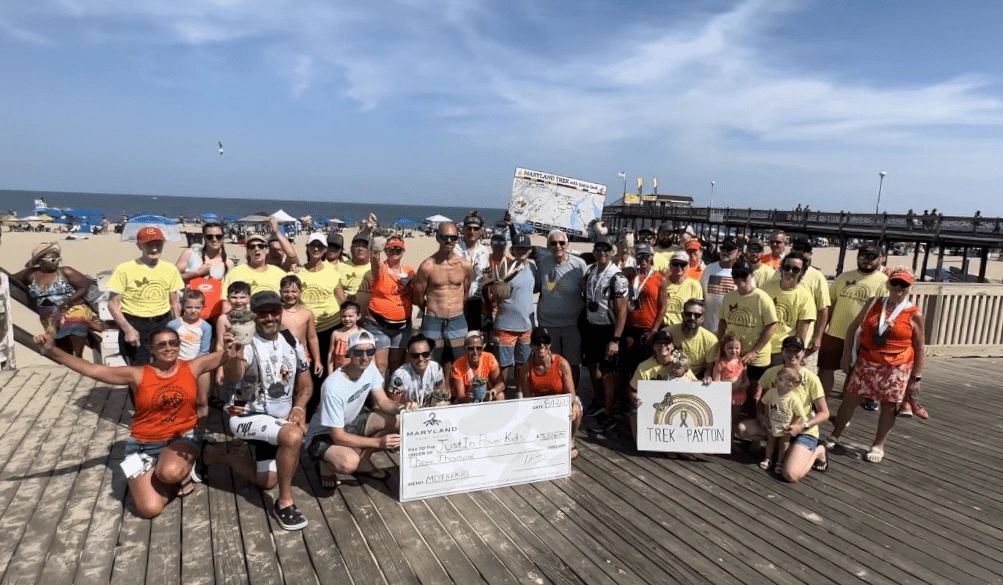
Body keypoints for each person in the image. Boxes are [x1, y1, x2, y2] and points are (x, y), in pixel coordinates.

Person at [34, 328, 235, 518]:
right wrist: (53, 350)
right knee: (150, 509)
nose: (168, 348)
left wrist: (232, 341)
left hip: (180, 439)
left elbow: (224, 355)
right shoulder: (137, 374)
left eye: (173, 343)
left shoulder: (192, 367)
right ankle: (174, 473)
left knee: (170, 472)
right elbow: (93, 370)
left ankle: (181, 468)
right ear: (152, 349)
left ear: (179, 345)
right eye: (162, 344)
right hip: (143, 446)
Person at [208, 291, 312, 531]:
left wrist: (299, 406)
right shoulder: (246, 340)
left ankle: (214, 455)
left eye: (273, 312)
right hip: (245, 414)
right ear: (254, 316)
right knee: (293, 436)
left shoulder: (290, 339)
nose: (269, 318)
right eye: (262, 313)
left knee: (267, 481)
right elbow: (235, 376)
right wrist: (233, 355)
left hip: (278, 419)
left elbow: (306, 384)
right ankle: (285, 503)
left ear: (281, 312)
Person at [826, 269, 925, 463]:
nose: (898, 288)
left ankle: (878, 444)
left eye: (903, 285)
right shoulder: (874, 302)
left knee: (888, 406)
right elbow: (853, 328)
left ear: (909, 288)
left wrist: (916, 378)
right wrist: (846, 354)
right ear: (888, 284)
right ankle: (835, 434)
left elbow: (920, 348)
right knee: (850, 399)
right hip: (867, 360)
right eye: (895, 283)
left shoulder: (914, 313)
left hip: (896, 366)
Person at [308, 330, 402, 488]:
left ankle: (364, 463)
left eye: (370, 351)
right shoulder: (333, 387)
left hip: (350, 423)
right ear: (349, 353)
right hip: (323, 435)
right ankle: (325, 464)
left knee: (397, 419)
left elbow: (384, 402)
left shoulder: (370, 369)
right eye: (358, 352)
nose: (365, 357)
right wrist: (378, 442)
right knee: (349, 463)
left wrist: (403, 407)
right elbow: (337, 436)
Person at [735, 336, 829, 482]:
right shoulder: (772, 373)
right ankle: (784, 448)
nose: (792, 354)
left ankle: (818, 451)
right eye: (788, 350)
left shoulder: (811, 378)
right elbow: (761, 399)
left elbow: (824, 413)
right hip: (776, 425)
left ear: (803, 353)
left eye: (796, 351)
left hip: (803, 430)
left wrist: (802, 426)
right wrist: (760, 415)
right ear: (782, 352)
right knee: (741, 429)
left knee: (791, 475)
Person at [817, 243, 888, 401]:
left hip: (862, 337)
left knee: (854, 372)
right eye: (863, 256)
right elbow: (830, 304)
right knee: (825, 369)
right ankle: (820, 403)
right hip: (834, 332)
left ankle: (845, 401)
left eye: (872, 257)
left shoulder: (884, 282)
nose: (867, 260)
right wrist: (820, 332)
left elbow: (884, 311)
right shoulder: (843, 277)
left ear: (880, 259)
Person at [108, 226, 184, 365]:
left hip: (163, 322)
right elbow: (113, 304)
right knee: (139, 371)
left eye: (158, 244)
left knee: (165, 366)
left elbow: (174, 302)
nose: (154, 249)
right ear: (139, 245)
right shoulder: (125, 269)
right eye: (149, 244)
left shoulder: (170, 269)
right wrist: (128, 329)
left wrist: (177, 326)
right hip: (135, 323)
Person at [14, 242, 102, 357]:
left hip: (74, 308)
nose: (56, 261)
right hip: (50, 316)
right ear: (40, 261)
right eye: (52, 260)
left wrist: (69, 301)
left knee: (75, 318)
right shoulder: (30, 275)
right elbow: (10, 279)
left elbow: (84, 286)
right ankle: (72, 359)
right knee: (63, 349)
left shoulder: (65, 271)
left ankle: (78, 357)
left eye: (58, 259)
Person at [581, 236, 629, 431]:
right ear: (594, 252)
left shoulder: (618, 277)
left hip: (609, 329)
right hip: (592, 326)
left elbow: (622, 312)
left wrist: (615, 339)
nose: (602, 252)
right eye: (598, 249)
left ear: (612, 253)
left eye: (606, 250)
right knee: (593, 366)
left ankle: (610, 412)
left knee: (608, 373)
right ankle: (598, 401)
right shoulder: (591, 270)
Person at [412, 222, 473, 377]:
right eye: (445, 237)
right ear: (438, 238)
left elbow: (465, 292)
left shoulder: (464, 265)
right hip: (433, 318)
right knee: (432, 360)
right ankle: (434, 394)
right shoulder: (428, 266)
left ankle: (456, 393)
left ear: (457, 239)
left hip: (457, 318)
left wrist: (457, 308)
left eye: (453, 237)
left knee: (460, 359)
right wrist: (430, 308)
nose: (449, 241)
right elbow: (418, 296)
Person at [717, 261, 777, 406]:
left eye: (744, 275)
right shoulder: (729, 296)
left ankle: (752, 425)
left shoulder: (762, 298)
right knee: (733, 393)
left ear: (751, 275)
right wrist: (720, 344)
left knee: (754, 396)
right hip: (733, 355)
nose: (740, 279)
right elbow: (723, 321)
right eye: (736, 275)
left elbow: (772, 326)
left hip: (756, 357)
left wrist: (754, 352)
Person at [535, 229, 587, 388]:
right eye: (553, 243)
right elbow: (536, 287)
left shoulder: (579, 264)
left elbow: (587, 291)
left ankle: (573, 397)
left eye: (561, 242)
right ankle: (555, 395)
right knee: (550, 362)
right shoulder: (543, 263)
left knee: (572, 364)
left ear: (567, 244)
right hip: (548, 324)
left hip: (572, 324)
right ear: (548, 246)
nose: (558, 246)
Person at [487, 232, 537, 397]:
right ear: (512, 250)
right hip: (505, 324)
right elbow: (492, 292)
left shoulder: (534, 268)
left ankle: (520, 393)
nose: (521, 251)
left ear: (530, 250)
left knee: (522, 363)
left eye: (524, 248)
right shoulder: (504, 266)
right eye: (517, 248)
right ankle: (501, 395)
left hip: (526, 325)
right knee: (503, 365)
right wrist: (497, 291)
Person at [296, 232, 344, 400]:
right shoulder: (298, 272)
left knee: (328, 366)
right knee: (307, 368)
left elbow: (341, 297)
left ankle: (326, 401)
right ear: (307, 248)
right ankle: (309, 404)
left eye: (320, 246)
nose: (316, 249)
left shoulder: (332, 271)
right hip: (306, 331)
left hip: (330, 326)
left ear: (325, 250)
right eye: (313, 245)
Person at [524, 327, 582, 459]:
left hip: (559, 405)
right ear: (531, 346)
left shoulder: (561, 363)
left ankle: (570, 439)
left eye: (545, 342)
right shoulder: (526, 368)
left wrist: (571, 406)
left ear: (550, 344)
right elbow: (527, 398)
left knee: (577, 408)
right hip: (540, 407)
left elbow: (571, 393)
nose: (541, 345)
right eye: (537, 342)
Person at [363, 234, 415, 375]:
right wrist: (375, 247)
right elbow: (374, 259)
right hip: (378, 325)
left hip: (402, 327)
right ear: (385, 251)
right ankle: (379, 397)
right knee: (380, 366)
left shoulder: (410, 271)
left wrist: (411, 285)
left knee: (397, 367)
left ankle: (393, 396)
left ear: (403, 251)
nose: (394, 251)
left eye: (398, 249)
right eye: (391, 249)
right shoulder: (381, 269)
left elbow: (414, 294)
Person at [759, 252, 815, 365]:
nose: (790, 271)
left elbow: (801, 333)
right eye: (787, 267)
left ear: (802, 273)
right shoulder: (765, 288)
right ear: (781, 268)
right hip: (760, 347)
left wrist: (796, 356)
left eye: (795, 269)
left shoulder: (805, 297)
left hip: (783, 352)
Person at [622, 244, 665, 387]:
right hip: (629, 327)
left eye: (646, 255)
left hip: (648, 329)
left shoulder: (660, 278)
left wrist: (654, 330)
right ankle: (626, 401)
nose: (643, 259)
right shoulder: (630, 274)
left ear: (652, 257)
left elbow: (663, 306)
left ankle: (643, 400)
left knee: (645, 366)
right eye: (640, 255)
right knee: (627, 366)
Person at [175, 221, 232, 321]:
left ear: (223, 237)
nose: (214, 239)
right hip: (189, 312)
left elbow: (227, 290)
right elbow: (172, 278)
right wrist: (196, 274)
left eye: (218, 236)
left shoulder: (227, 262)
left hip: (214, 314)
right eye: (210, 236)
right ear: (204, 237)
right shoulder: (190, 254)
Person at [788, 238, 831, 369]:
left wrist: (818, 337)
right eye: (797, 249)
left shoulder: (817, 276)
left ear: (810, 254)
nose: (800, 253)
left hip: (806, 339)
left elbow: (823, 309)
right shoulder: (783, 272)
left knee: (805, 378)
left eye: (805, 250)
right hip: (781, 338)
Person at [625, 330, 676, 440]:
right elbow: (631, 389)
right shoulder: (644, 367)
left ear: (672, 346)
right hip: (652, 405)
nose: (663, 346)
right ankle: (640, 439)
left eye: (666, 343)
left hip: (673, 405)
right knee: (634, 408)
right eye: (659, 343)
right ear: (653, 347)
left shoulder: (680, 364)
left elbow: (693, 384)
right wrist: (634, 396)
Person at [758, 367, 808, 472]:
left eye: (782, 380)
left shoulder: (793, 399)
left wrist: (793, 426)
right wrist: (765, 416)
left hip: (785, 428)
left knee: (784, 445)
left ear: (792, 386)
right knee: (770, 441)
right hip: (772, 424)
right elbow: (765, 403)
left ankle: (780, 462)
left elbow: (799, 414)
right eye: (780, 378)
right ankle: (767, 458)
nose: (778, 381)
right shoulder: (772, 392)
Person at [278, 275, 323, 378]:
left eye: (294, 291)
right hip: (282, 358)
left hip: (303, 357)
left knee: (303, 387)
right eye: (286, 291)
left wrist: (317, 360)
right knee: (284, 386)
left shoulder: (307, 313)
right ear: (280, 292)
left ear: (300, 293)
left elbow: (312, 338)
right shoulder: (276, 313)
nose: (290, 295)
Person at [387, 334, 446, 408]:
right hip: (407, 412)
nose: (421, 358)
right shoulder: (398, 377)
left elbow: (441, 393)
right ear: (408, 356)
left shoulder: (436, 368)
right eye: (415, 355)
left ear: (430, 354)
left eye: (425, 354)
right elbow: (393, 404)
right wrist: (405, 407)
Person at [455, 212, 491, 331]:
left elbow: (485, 277)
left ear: (481, 231)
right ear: (463, 229)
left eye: (476, 229)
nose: (472, 231)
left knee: (473, 336)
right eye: (469, 228)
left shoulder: (484, 251)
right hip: (456, 300)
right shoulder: (454, 249)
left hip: (475, 302)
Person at [666, 298, 719, 378]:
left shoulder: (711, 340)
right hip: (671, 374)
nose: (692, 318)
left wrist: (707, 378)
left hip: (697, 377)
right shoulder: (668, 333)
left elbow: (709, 368)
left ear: (702, 319)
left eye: (697, 315)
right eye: (688, 314)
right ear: (682, 315)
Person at [699, 237, 740, 332]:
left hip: (731, 331)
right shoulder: (709, 268)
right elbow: (701, 295)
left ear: (739, 252)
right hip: (707, 328)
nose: (725, 252)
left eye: (729, 249)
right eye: (723, 248)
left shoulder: (742, 272)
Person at [450, 330, 505, 402]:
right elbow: (461, 396)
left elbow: (502, 383)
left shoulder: (489, 358)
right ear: (465, 349)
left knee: (500, 395)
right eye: (470, 349)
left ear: (483, 348)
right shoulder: (457, 366)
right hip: (466, 399)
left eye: (479, 348)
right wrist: (476, 401)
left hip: (485, 395)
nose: (475, 352)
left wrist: (493, 391)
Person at [711, 333, 749, 423]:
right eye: (730, 348)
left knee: (734, 419)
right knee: (723, 419)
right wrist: (728, 388)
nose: (734, 350)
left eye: (737, 348)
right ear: (724, 348)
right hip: (724, 396)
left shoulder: (742, 362)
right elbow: (716, 380)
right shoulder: (721, 363)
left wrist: (746, 384)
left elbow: (745, 378)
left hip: (738, 396)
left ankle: (732, 436)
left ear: (741, 348)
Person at [659, 250, 703, 327]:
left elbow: (698, 311)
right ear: (670, 265)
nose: (679, 267)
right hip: (662, 326)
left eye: (683, 264)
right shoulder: (661, 282)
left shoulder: (695, 285)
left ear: (688, 266)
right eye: (675, 263)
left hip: (684, 326)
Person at [327, 301, 362, 374]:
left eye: (350, 316)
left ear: (358, 316)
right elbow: (331, 355)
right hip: (339, 373)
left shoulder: (362, 334)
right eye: (344, 316)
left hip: (357, 375)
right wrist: (330, 374)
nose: (347, 319)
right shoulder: (336, 334)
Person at [338, 233, 372, 303]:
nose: (360, 249)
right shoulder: (340, 267)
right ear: (351, 249)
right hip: (345, 310)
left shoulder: (375, 269)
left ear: (370, 250)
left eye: (365, 246)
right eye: (357, 246)